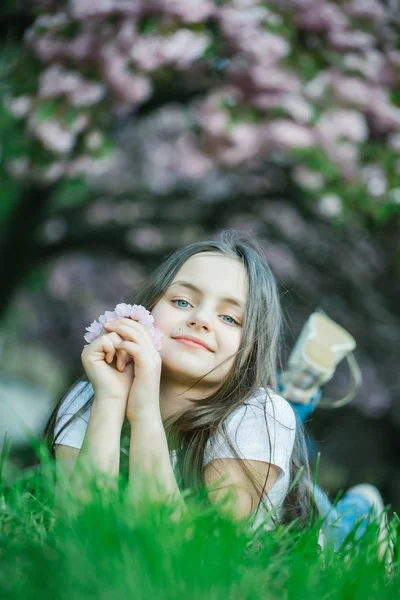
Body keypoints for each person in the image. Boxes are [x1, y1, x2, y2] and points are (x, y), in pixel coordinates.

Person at [42, 231, 392, 559]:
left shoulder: (260, 415)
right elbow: (81, 528)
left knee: (340, 533)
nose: (201, 319)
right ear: (145, 310)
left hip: (307, 532)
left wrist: (144, 408)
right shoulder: (95, 393)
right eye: (181, 301)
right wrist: (113, 399)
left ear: (250, 348)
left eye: (229, 317)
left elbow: (191, 553)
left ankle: (361, 510)